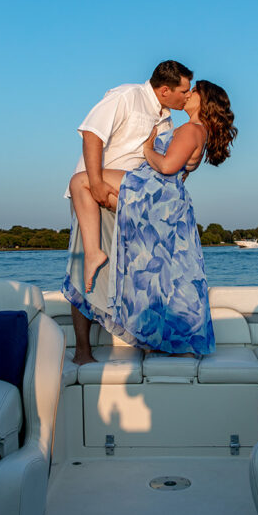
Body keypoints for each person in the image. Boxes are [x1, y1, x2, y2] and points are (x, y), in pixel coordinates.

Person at [73, 80, 237, 356]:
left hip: (151, 192)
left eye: (193, 91)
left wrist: (148, 148)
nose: (188, 94)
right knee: (163, 274)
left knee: (81, 182)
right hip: (165, 198)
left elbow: (168, 165)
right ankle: (159, 338)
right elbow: (180, 167)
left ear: (205, 100)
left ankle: (93, 254)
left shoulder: (190, 129)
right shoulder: (198, 131)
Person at [62, 61, 194, 365]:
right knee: (86, 268)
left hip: (130, 199)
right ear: (165, 90)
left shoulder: (167, 119)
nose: (187, 96)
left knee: (138, 269)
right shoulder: (126, 96)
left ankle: (147, 341)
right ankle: (82, 352)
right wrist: (95, 183)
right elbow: (91, 134)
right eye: (184, 91)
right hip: (95, 193)